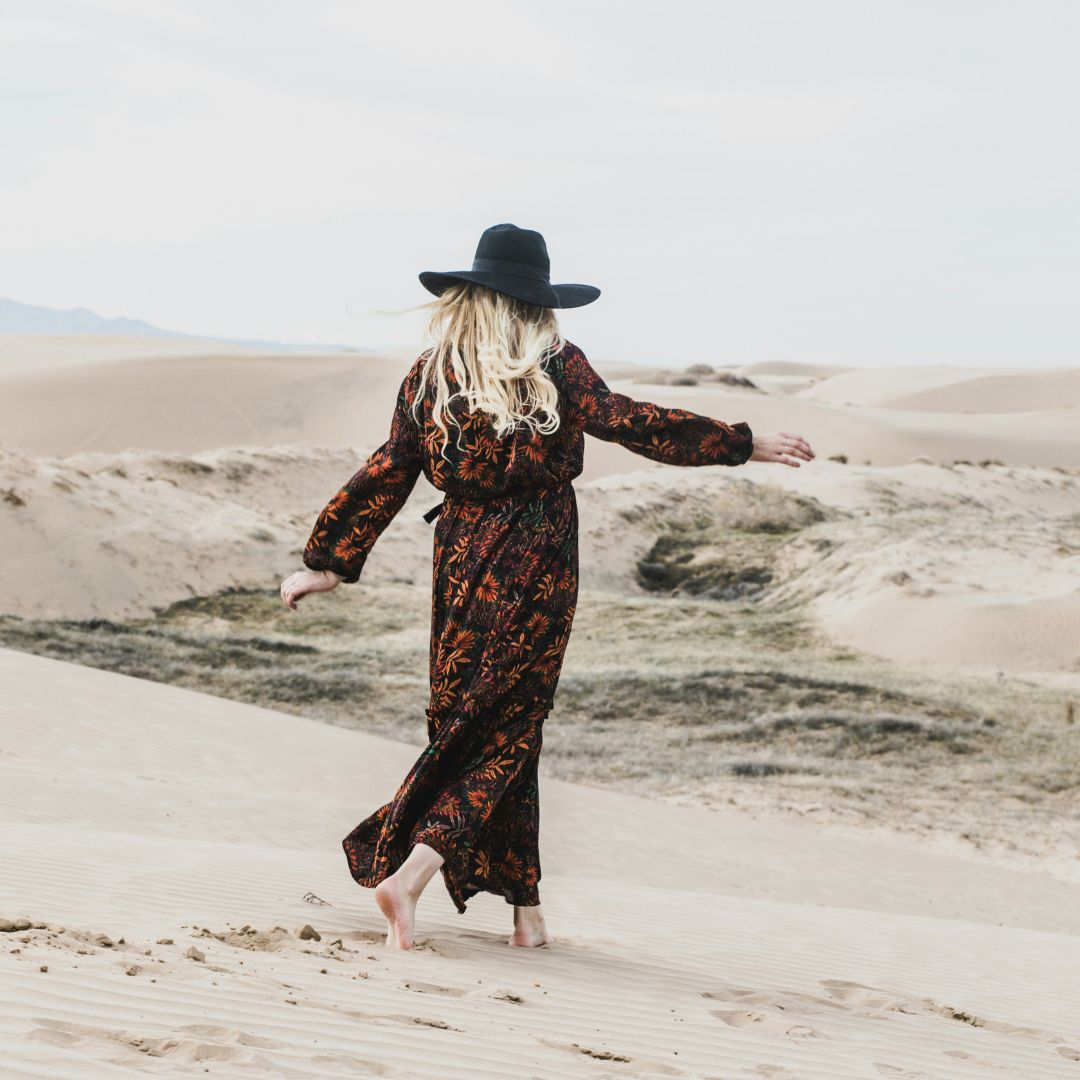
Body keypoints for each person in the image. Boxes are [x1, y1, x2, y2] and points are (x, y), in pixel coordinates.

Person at [279, 223, 814, 950]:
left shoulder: (431, 374)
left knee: (473, 721)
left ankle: (527, 916)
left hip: (460, 559)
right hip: (537, 556)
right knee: (508, 727)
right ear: (536, 304)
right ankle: (409, 874)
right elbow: (630, 422)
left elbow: (389, 469)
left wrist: (330, 560)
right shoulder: (556, 364)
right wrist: (740, 443)